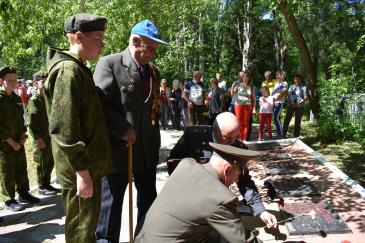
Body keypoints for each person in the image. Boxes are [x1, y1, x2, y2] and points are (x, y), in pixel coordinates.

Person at [93, 19, 167, 242]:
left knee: (148, 207)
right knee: (110, 212)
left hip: (146, 153)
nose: (154, 53)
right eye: (150, 47)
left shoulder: (154, 71)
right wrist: (122, 128)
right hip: (119, 152)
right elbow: (98, 105)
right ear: (135, 41)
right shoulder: (110, 64)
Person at [44, 13, 114, 243]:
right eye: (97, 37)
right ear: (77, 37)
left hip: (84, 168)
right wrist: (82, 172)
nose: (103, 43)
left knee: (86, 230)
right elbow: (64, 128)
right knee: (81, 234)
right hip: (79, 171)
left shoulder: (78, 68)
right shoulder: (68, 71)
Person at [136, 142, 275, 243]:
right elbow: (243, 240)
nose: (237, 179)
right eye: (239, 174)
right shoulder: (221, 199)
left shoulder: (186, 164)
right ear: (227, 170)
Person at [167, 112, 277, 226]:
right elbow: (173, 163)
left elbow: (245, 182)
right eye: (227, 137)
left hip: (217, 200)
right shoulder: (194, 136)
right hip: (189, 195)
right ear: (214, 130)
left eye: (235, 137)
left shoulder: (237, 147)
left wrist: (261, 210)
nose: (232, 142)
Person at [0, 66, 40, 212]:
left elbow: (22, 119)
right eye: (10, 80)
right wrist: (11, 142)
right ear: (2, 81)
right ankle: (9, 200)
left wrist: (23, 136)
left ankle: (24, 194)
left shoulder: (16, 98)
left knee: (21, 169)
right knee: (7, 172)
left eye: (15, 79)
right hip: (5, 144)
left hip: (19, 141)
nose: (13, 82)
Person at [27, 73, 60, 195]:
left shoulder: (48, 98)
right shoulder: (34, 100)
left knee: (49, 161)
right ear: (36, 83)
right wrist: (38, 138)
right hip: (41, 137)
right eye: (42, 82)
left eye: (47, 81)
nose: (46, 84)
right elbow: (31, 121)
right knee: (41, 162)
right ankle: (41, 187)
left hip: (50, 136)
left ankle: (47, 184)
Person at [232, 71, 256, 141]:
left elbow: (254, 99)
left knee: (246, 123)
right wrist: (233, 87)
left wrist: (254, 108)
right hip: (238, 105)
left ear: (249, 78)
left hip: (248, 106)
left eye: (247, 77)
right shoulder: (238, 85)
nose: (245, 78)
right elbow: (232, 94)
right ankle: (240, 139)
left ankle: (244, 139)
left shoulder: (251, 87)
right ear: (242, 78)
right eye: (244, 77)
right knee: (239, 123)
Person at [282, 74, 308, 138]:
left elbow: (306, 97)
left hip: (299, 107)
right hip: (291, 106)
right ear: (294, 80)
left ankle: (295, 137)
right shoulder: (291, 87)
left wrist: (301, 102)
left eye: (298, 79)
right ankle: (283, 134)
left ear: (301, 80)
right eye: (295, 79)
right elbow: (288, 96)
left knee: (297, 122)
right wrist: (288, 102)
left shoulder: (303, 87)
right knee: (287, 120)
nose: (297, 80)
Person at [271, 70, 288, 138]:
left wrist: (276, 99)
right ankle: (278, 133)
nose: (277, 76)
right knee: (275, 118)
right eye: (276, 75)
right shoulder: (276, 83)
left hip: (279, 102)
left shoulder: (284, 83)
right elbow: (274, 93)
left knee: (276, 117)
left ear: (283, 76)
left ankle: (281, 134)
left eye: (279, 75)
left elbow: (282, 93)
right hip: (274, 102)